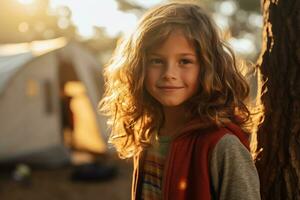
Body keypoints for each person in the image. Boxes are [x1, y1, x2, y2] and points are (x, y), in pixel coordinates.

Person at [99, 2, 261, 200]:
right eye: (157, 61)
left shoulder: (223, 145)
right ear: (138, 67)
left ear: (207, 68)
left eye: (185, 61)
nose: (169, 74)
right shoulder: (149, 136)